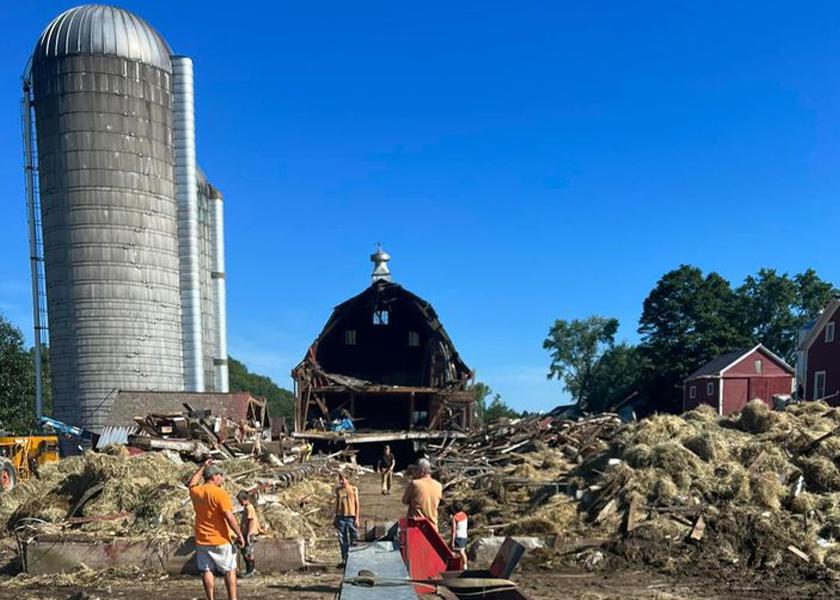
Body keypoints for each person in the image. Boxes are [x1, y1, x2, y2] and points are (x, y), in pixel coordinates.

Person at [188, 460, 246, 600]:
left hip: (202, 538)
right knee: (229, 569)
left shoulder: (197, 492)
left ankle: (210, 598)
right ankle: (232, 598)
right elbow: (229, 517)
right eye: (220, 475)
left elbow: (191, 483)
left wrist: (202, 467)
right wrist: (240, 535)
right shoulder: (220, 493)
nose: (222, 478)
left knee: (206, 569)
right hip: (220, 538)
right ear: (213, 477)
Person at [401, 458, 443, 530]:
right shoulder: (439, 486)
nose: (414, 472)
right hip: (433, 528)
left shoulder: (415, 484)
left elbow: (404, 501)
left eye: (416, 470)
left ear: (422, 470)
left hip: (417, 527)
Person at [334, 472, 360, 566]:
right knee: (342, 539)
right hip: (341, 517)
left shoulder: (353, 489)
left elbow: (357, 504)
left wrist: (357, 518)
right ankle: (344, 559)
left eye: (343, 479)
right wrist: (336, 517)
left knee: (355, 537)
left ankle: (355, 558)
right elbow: (337, 504)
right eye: (340, 479)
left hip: (351, 517)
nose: (341, 481)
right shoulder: (338, 490)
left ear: (347, 479)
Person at [236, 490, 262, 578]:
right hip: (246, 532)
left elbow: (251, 521)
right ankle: (250, 569)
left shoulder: (249, 508)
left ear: (244, 499)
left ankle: (250, 570)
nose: (239, 503)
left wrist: (248, 534)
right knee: (245, 551)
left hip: (249, 533)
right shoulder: (246, 508)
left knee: (248, 551)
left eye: (240, 501)